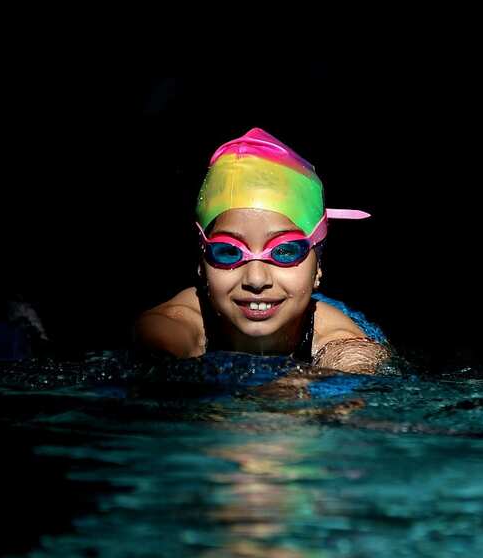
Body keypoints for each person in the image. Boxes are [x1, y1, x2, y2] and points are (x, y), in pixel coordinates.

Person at [137, 128, 388, 374]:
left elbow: (356, 388)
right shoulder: (169, 326)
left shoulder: (344, 343)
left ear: (318, 267)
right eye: (228, 251)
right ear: (202, 264)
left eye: (285, 251)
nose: (256, 279)